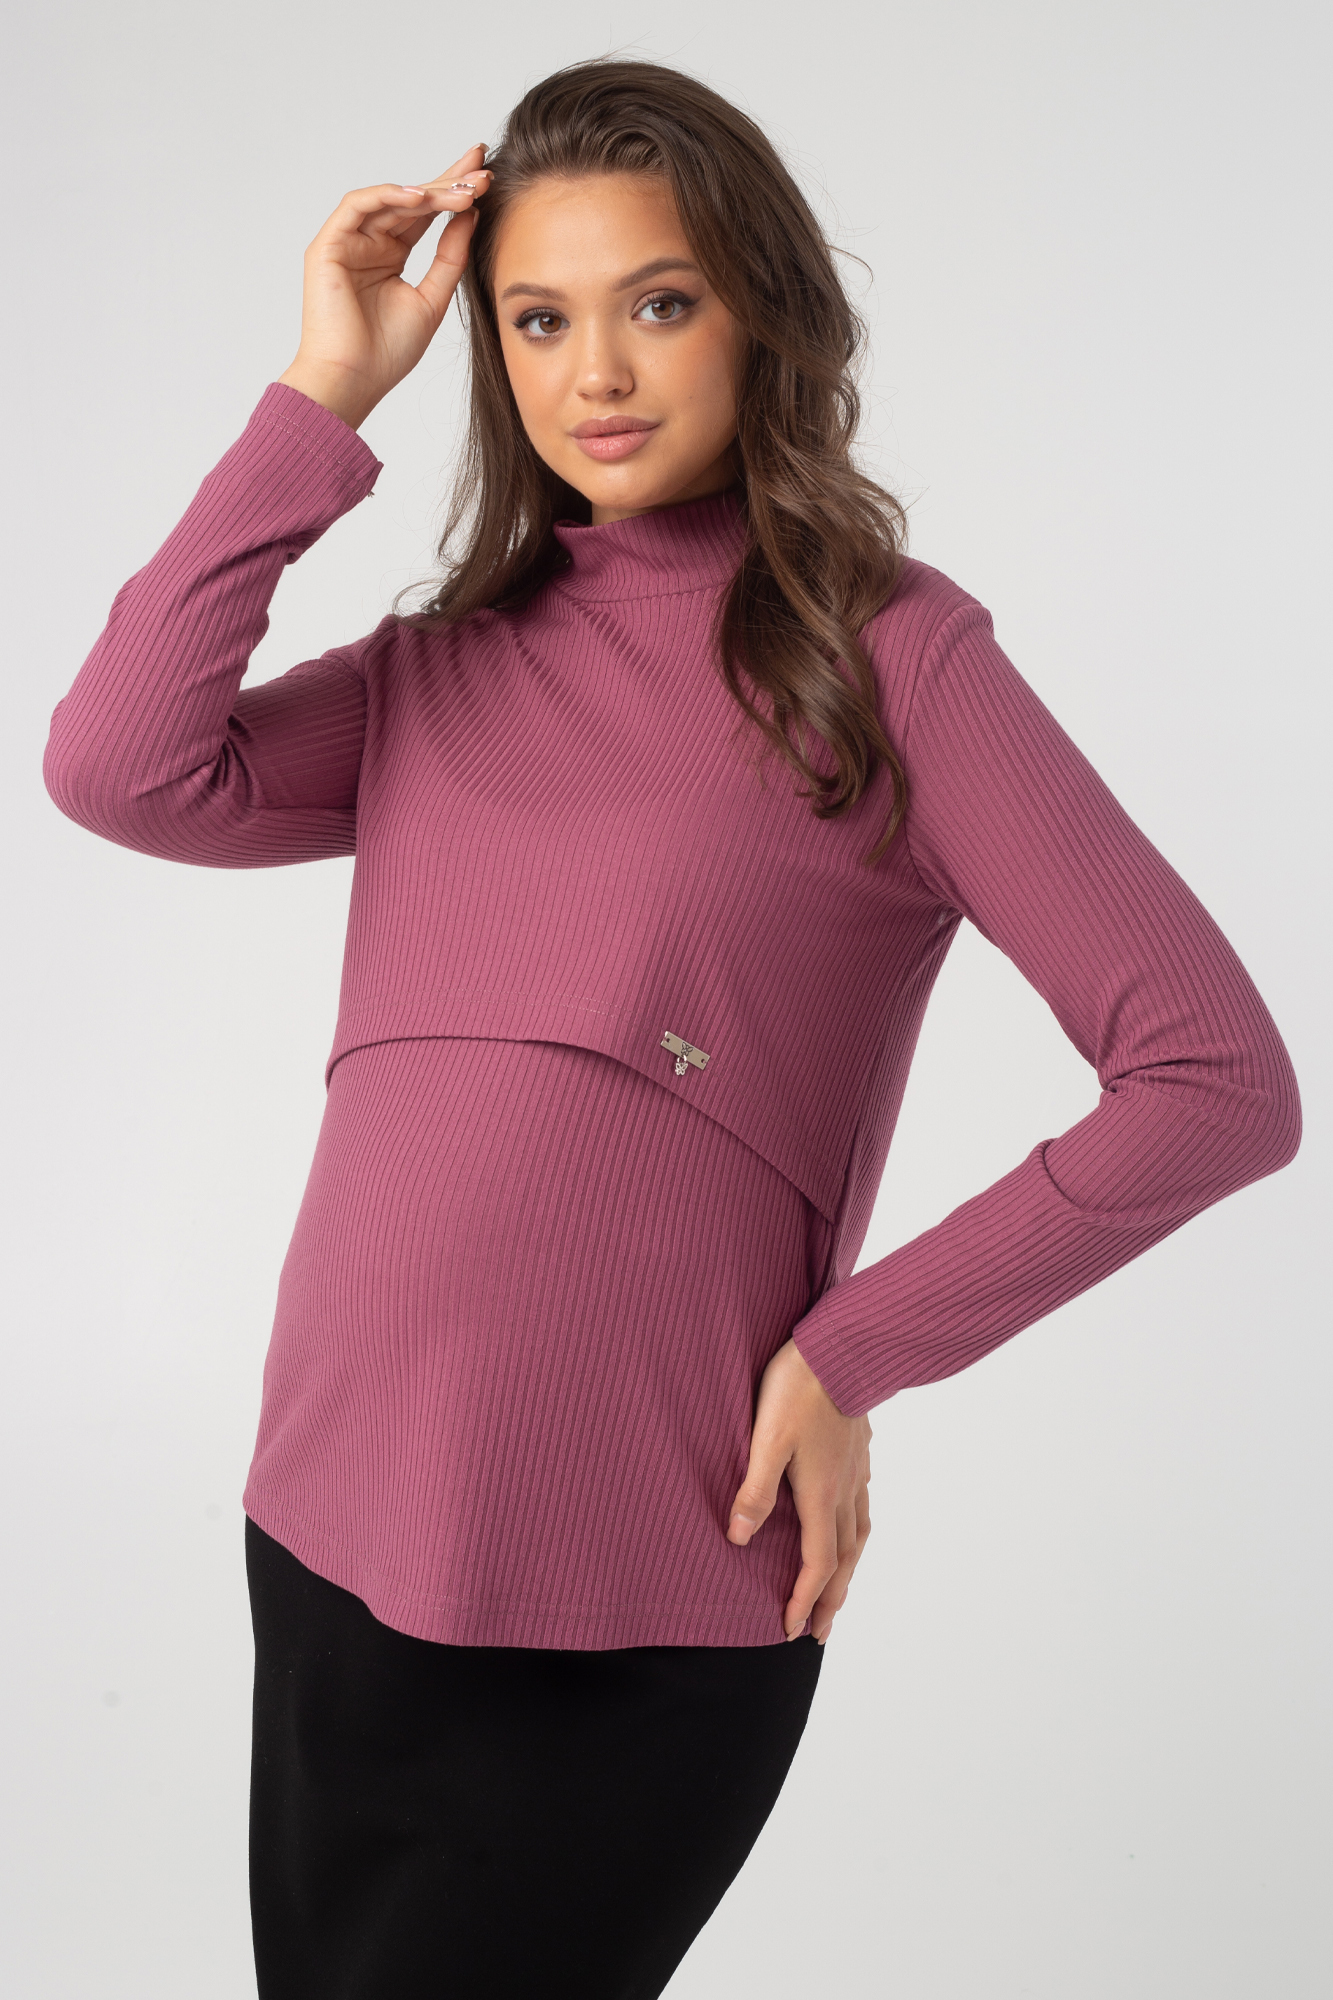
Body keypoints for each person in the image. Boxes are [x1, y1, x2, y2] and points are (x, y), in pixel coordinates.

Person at [43, 54, 1300, 2000]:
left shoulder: (889, 659)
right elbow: (119, 770)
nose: (597, 372)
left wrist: (857, 1348)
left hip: (640, 1577)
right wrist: (319, 398)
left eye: (657, 300)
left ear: (759, 313)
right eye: (537, 318)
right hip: (329, 1516)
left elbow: (1214, 1080)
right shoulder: (439, 670)